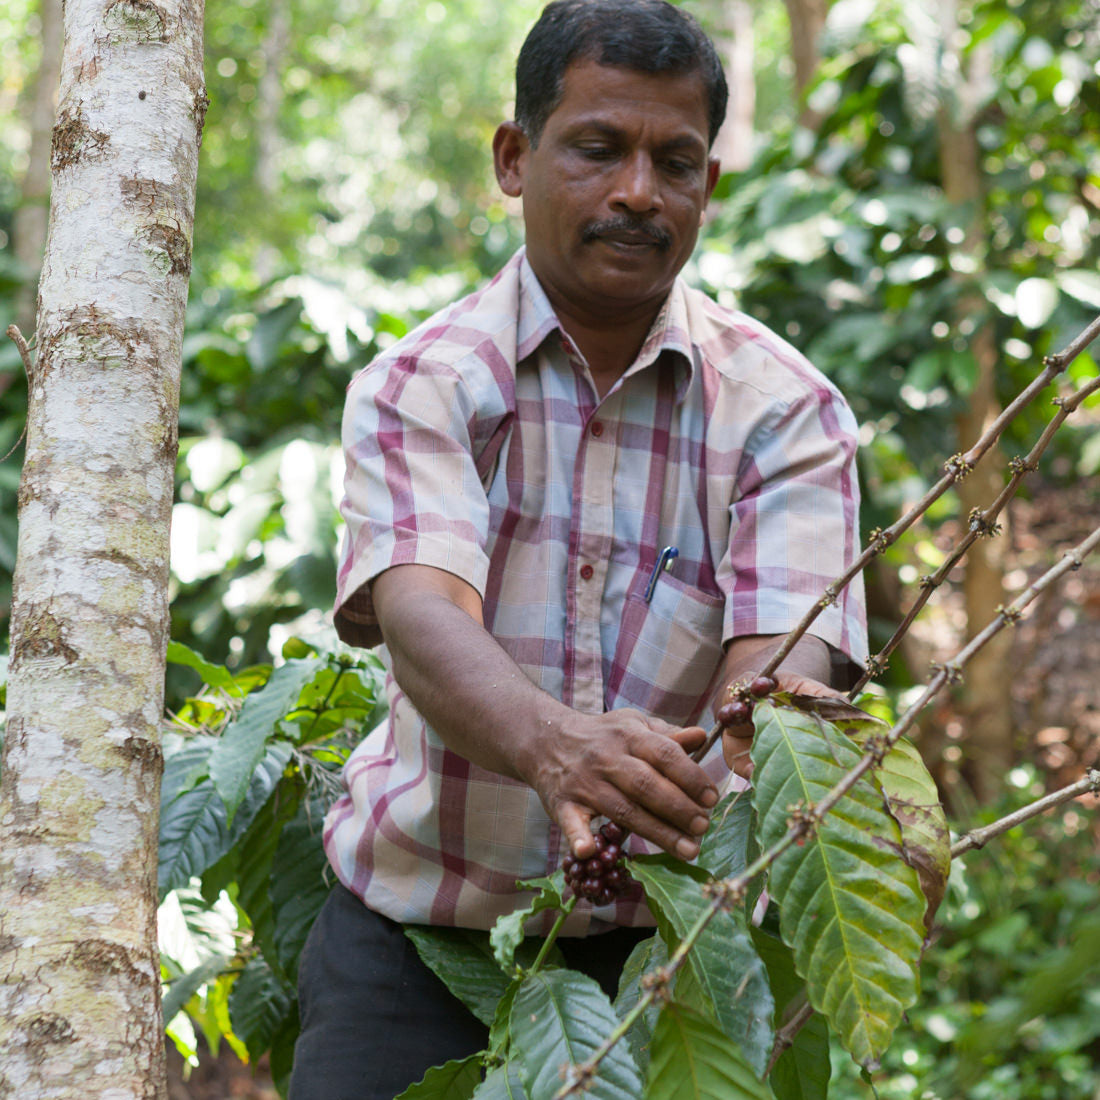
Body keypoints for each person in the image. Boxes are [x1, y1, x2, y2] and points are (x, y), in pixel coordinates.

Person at [290, 2, 867, 1097]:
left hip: (671, 957)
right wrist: (557, 746)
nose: (638, 193)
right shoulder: (424, 383)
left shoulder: (787, 411)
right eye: (597, 148)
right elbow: (419, 609)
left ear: (709, 186)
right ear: (516, 158)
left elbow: (781, 678)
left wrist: (676, 776)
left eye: (675, 161)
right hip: (412, 942)